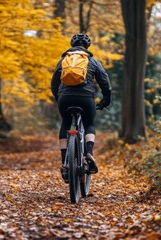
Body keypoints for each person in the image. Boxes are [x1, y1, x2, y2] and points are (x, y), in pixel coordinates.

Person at [51, 33, 112, 182]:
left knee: (65, 124)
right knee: (89, 124)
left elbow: (54, 84)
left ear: (72, 45)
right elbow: (105, 83)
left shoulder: (63, 60)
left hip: (65, 97)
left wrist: (59, 98)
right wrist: (106, 100)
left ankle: (65, 161)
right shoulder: (92, 61)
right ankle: (89, 153)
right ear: (87, 46)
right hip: (85, 98)